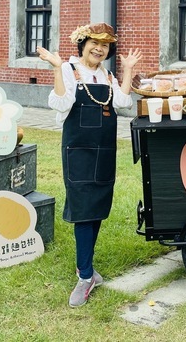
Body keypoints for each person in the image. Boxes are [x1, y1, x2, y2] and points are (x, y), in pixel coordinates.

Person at [37, 23, 142, 308]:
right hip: (78, 152)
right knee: (83, 210)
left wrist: (128, 70)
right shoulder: (69, 70)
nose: (99, 49)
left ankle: (87, 267)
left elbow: (123, 102)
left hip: (104, 150)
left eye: (105, 45)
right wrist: (56, 69)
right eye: (95, 43)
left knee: (96, 208)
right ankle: (85, 276)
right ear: (83, 45)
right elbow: (60, 104)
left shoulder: (106, 75)